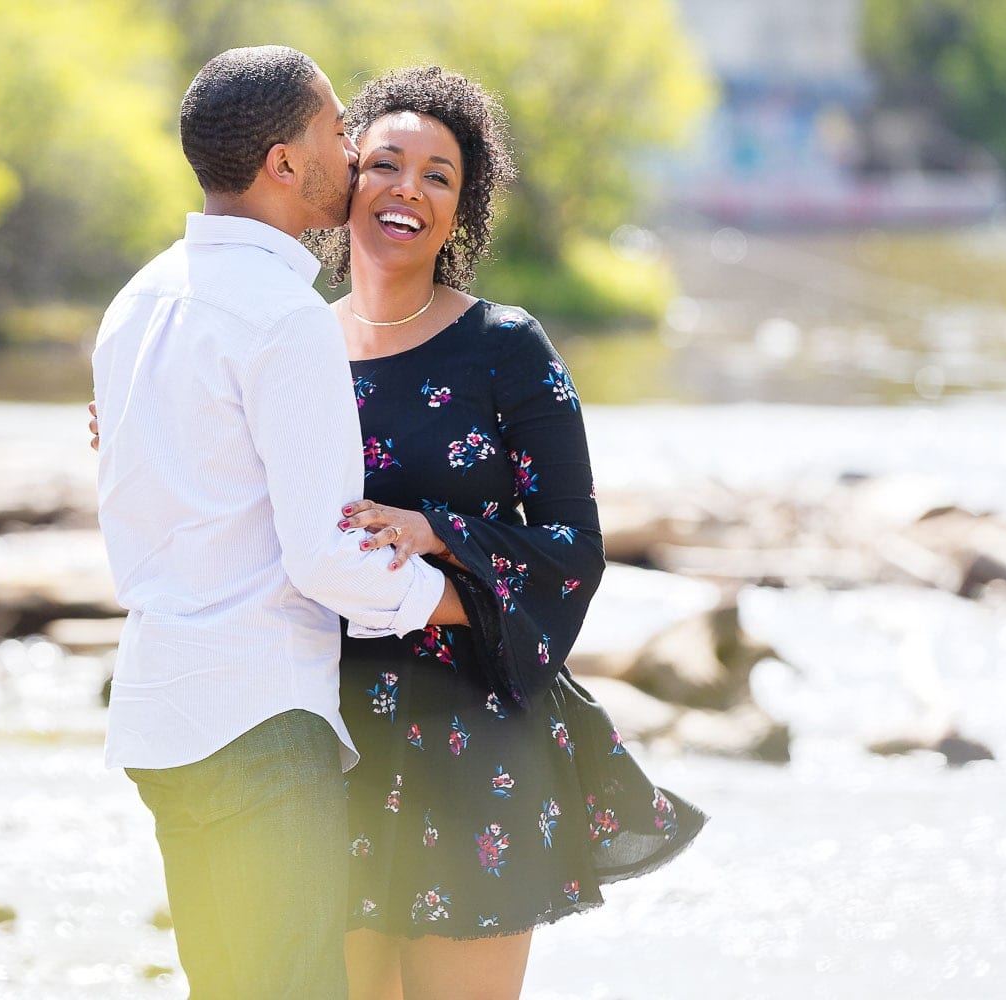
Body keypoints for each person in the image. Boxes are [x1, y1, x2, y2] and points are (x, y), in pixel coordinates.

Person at [300, 66, 707, 1000]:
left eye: (439, 175)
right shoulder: (290, 343)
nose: (408, 188)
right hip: (322, 737)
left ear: (461, 211)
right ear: (343, 179)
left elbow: (573, 549)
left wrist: (434, 532)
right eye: (387, 163)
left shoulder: (506, 346)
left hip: (473, 737)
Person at [90, 47, 466, 1000]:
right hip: (257, 718)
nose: (353, 150)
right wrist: (463, 600)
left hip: (159, 716)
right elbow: (324, 552)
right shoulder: (283, 314)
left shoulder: (137, 301)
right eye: (336, 131)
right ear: (283, 164)